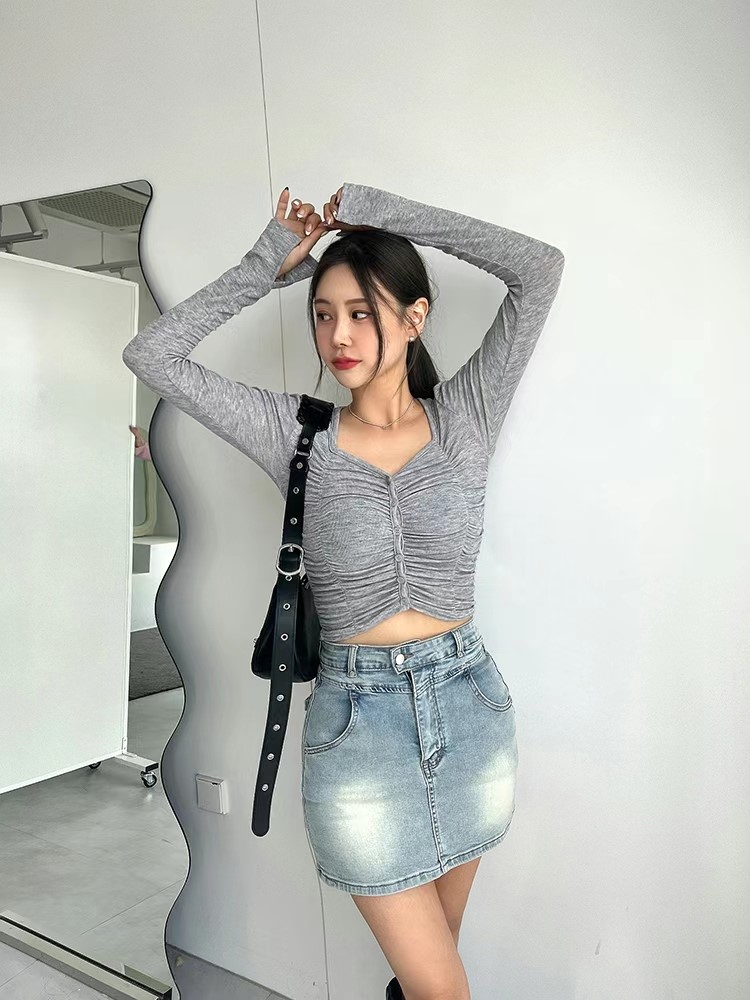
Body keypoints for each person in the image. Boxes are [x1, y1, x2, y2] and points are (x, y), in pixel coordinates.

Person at [122, 182, 565, 1000]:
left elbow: (539, 268)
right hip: (359, 729)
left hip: (470, 709)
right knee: (443, 988)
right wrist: (268, 263)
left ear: (414, 317)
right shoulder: (295, 435)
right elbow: (152, 357)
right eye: (323, 314)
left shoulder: (466, 415)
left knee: (430, 972)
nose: (339, 335)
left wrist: (383, 213)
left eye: (362, 312)